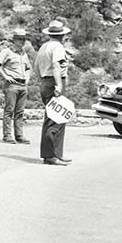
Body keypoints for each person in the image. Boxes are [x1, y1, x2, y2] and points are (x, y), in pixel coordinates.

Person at [35, 19, 73, 166]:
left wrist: (42, 80)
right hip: (54, 82)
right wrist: (58, 84)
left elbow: (36, 67)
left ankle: (55, 153)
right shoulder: (57, 47)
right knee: (55, 119)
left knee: (55, 117)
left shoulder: (44, 47)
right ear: (62, 35)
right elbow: (56, 65)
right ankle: (51, 155)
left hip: (46, 81)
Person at [0, 28, 33, 144]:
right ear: (14, 40)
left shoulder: (23, 54)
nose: (22, 41)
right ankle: (7, 135)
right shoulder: (7, 52)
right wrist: (5, 76)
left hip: (22, 84)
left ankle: (19, 135)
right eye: (20, 39)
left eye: (24, 39)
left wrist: (27, 77)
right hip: (12, 84)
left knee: (20, 111)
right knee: (9, 110)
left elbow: (28, 68)